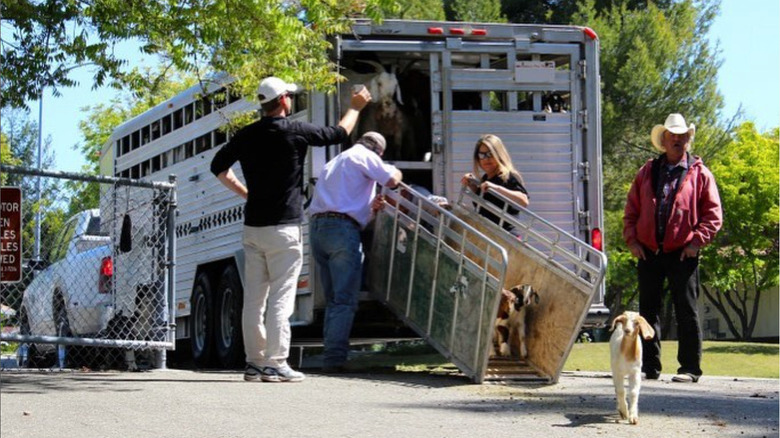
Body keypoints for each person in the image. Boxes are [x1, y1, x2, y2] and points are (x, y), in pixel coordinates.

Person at [210, 77, 372, 382]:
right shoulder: (295, 131)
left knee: (254, 299)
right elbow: (337, 133)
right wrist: (355, 107)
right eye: (290, 97)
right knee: (282, 297)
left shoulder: (246, 135)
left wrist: (246, 194)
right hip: (284, 228)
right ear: (283, 100)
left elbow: (218, 166)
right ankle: (276, 362)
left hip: (253, 228)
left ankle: (255, 362)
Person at [623, 113, 722, 383]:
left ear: (689, 140)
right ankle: (649, 366)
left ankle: (689, 368)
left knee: (686, 310)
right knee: (648, 311)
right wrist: (632, 241)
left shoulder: (700, 173)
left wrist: (696, 243)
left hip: (683, 253)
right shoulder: (647, 171)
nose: (678, 140)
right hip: (648, 251)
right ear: (663, 140)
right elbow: (631, 210)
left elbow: (713, 215)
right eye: (672, 135)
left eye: (682, 136)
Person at [308, 131, 402, 372]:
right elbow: (392, 180)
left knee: (333, 299)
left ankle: (331, 353)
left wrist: (371, 209)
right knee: (344, 301)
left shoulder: (335, 161)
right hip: (341, 230)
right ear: (378, 152)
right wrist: (395, 171)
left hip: (319, 229)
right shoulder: (363, 156)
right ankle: (335, 359)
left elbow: (347, 202)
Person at [461, 134, 529, 236]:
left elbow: (524, 200)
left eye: (490, 154)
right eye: (481, 155)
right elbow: (487, 200)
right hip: (490, 234)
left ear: (499, 154)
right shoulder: (486, 178)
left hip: (506, 237)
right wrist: (471, 184)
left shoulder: (507, 176)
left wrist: (496, 188)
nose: (486, 159)